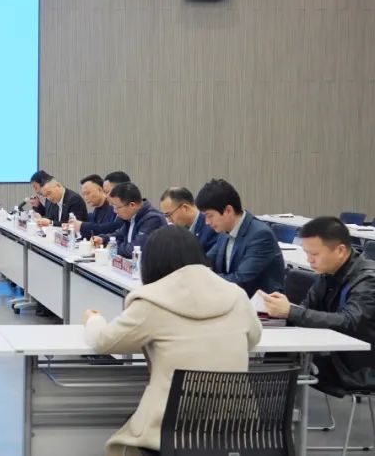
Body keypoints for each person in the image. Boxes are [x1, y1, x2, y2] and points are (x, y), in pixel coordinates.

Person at [83, 227, 261, 456]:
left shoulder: (151, 301)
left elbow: (104, 342)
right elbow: (253, 338)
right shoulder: (236, 294)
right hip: (235, 428)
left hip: (171, 427)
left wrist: (93, 319)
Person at [262, 216, 375, 394]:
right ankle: (274, 406)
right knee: (280, 347)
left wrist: (291, 311)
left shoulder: (368, 279)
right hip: (336, 351)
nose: (309, 260)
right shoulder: (328, 272)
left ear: (340, 250)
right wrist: (277, 311)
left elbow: (349, 321)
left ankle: (275, 407)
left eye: (314, 254)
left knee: (284, 357)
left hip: (358, 365)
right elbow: (307, 308)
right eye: (307, 253)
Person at [197, 179, 284, 297]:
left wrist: (204, 280)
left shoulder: (260, 235)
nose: (207, 222)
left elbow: (241, 280)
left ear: (228, 210)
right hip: (234, 299)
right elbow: (207, 260)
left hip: (259, 303)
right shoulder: (225, 231)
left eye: (210, 216)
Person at [91, 182, 167, 259]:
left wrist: (111, 248)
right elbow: (119, 235)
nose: (115, 211)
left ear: (132, 205)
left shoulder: (153, 219)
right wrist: (103, 239)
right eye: (113, 206)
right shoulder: (131, 216)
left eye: (117, 207)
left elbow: (134, 249)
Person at [159, 186, 218, 252]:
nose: (169, 220)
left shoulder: (211, 228)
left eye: (169, 215)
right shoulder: (179, 232)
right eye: (166, 216)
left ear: (185, 208)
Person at [69, 174, 121, 240]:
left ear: (101, 190)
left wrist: (81, 226)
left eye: (88, 193)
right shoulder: (94, 213)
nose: (85, 198)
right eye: (83, 195)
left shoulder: (114, 209)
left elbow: (108, 229)